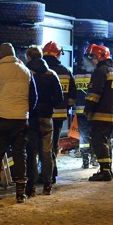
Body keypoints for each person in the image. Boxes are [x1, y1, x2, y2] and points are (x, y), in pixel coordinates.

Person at [0, 43, 37, 203]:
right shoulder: (26, 71)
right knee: (19, 154)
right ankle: (20, 193)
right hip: (21, 121)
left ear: (1, 56)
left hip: (2, 119)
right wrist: (26, 112)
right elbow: (34, 97)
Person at [24, 45, 63, 197]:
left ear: (28, 57)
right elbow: (59, 98)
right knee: (47, 152)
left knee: (31, 152)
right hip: (47, 118)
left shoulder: (26, 73)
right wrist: (48, 107)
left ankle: (31, 186)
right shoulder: (51, 74)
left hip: (31, 118)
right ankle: (48, 184)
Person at [83, 44, 113, 182]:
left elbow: (94, 94)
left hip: (100, 114)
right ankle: (107, 169)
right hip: (111, 114)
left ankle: (104, 172)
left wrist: (88, 109)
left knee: (99, 142)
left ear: (100, 56)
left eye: (93, 57)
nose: (92, 60)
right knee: (106, 142)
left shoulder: (100, 71)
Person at [42, 42, 76, 182]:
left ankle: (43, 171)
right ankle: (53, 169)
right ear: (57, 54)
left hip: (43, 114)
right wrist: (66, 108)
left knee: (42, 143)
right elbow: (72, 96)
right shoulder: (66, 72)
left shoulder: (40, 69)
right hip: (60, 115)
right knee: (54, 142)